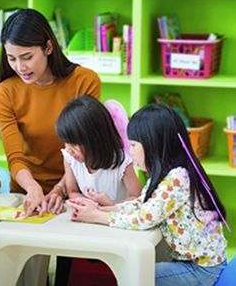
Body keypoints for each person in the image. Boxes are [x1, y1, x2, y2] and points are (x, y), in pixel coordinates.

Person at [68, 104, 227, 286]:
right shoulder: (163, 175)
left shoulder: (177, 178)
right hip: (191, 264)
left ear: (154, 144)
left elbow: (144, 218)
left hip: (202, 270)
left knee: (134, 275)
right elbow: (141, 204)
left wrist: (96, 216)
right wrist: (104, 208)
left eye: (134, 145)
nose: (130, 151)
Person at [0, 8, 101, 217]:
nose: (20, 67)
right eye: (12, 58)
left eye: (27, 57)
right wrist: (33, 188)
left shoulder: (85, 82)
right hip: (26, 192)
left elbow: (85, 149)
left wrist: (60, 188)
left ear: (48, 47)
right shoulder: (6, 91)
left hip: (78, 190)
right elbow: (15, 157)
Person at [56, 95, 141, 206]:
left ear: (95, 139)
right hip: (90, 218)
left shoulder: (122, 163)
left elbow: (136, 198)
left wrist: (109, 205)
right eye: (66, 142)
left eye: (74, 144)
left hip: (114, 218)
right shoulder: (70, 159)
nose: (68, 150)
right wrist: (87, 203)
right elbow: (72, 191)